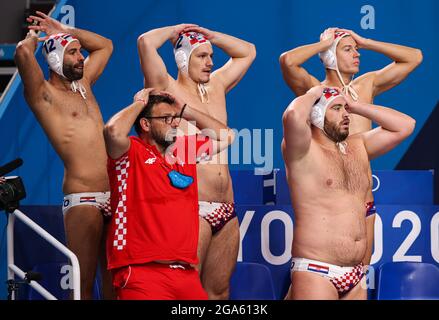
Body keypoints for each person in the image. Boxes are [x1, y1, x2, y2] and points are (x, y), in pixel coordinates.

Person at [279, 27, 422, 291]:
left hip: (362, 197)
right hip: (328, 192)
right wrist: (325, 45)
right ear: (330, 56)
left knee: (358, 273)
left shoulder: (365, 85)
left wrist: (364, 41)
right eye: (348, 49)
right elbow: (288, 61)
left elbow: (414, 57)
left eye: (356, 49)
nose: (357, 54)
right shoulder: (315, 90)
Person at [137, 24, 256, 299]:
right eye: (202, 56)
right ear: (181, 59)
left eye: (211, 55)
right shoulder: (166, 88)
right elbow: (145, 42)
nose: (211, 62)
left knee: (219, 292)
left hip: (226, 208)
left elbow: (248, 52)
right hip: (192, 206)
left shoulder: (217, 85)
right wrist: (176, 31)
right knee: (186, 292)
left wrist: (210, 36)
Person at [15, 11, 114, 299]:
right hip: (83, 198)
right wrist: (36, 38)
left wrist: (66, 30)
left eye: (80, 52)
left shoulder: (84, 86)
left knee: (115, 284)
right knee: (82, 286)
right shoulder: (43, 96)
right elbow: (22, 52)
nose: (81, 57)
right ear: (55, 60)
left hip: (113, 194)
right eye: (72, 53)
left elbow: (106, 45)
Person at [103, 88, 235, 300]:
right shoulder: (130, 153)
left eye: (175, 118)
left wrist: (187, 110)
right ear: (145, 124)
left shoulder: (184, 150)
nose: (174, 123)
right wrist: (139, 103)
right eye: (166, 118)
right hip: (141, 273)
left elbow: (227, 136)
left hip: (185, 275)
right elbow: (112, 131)